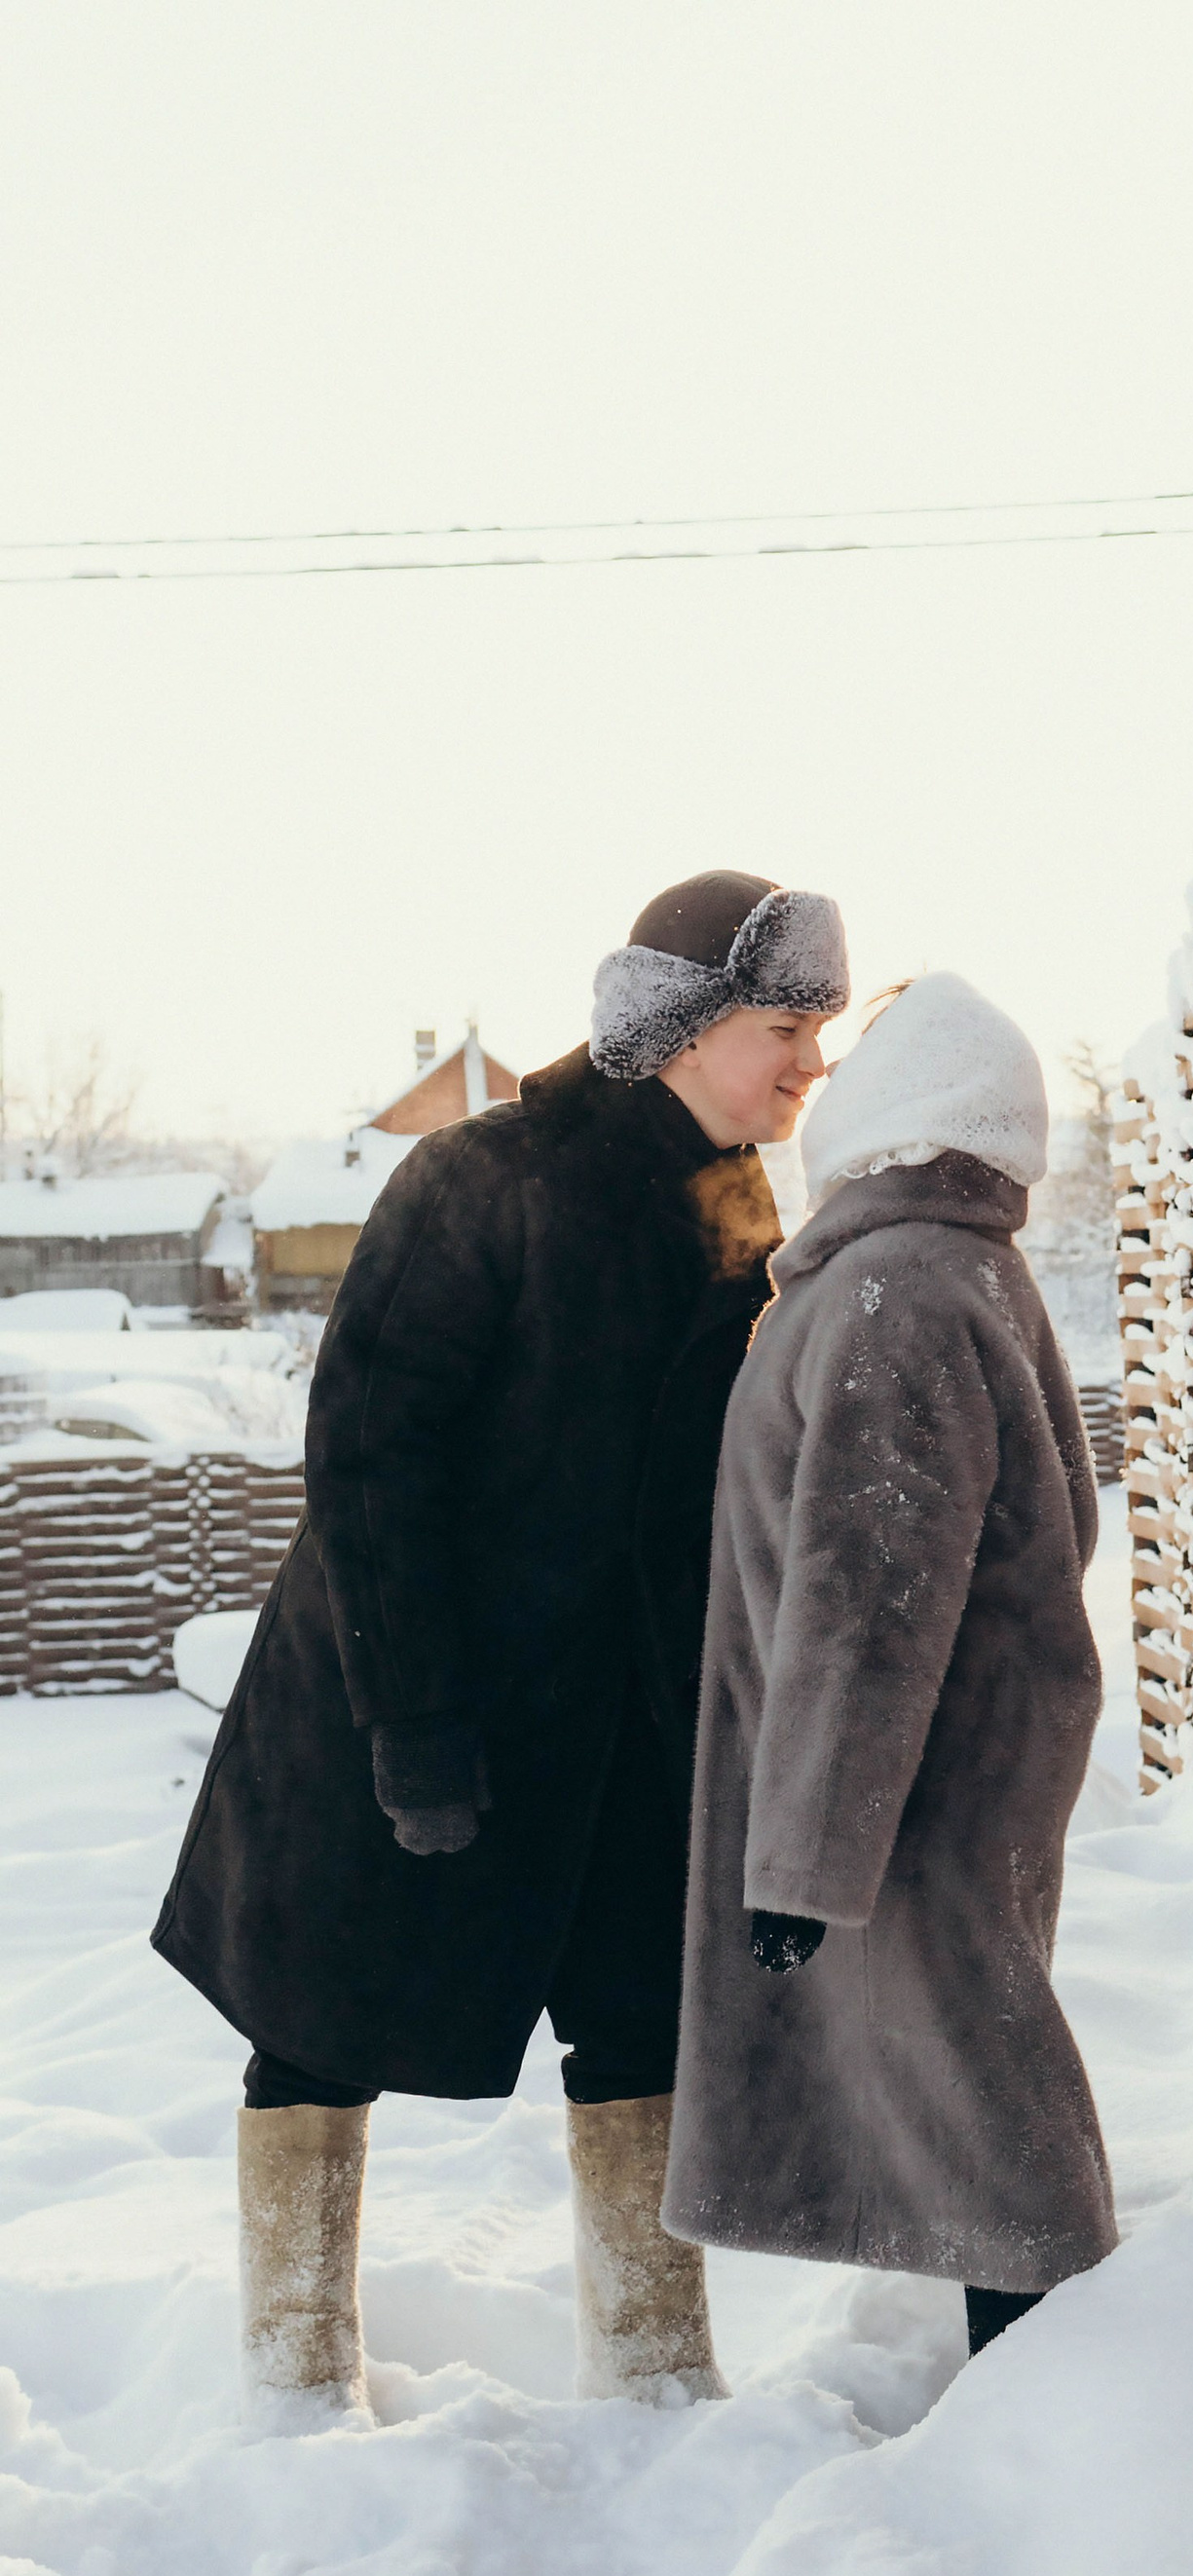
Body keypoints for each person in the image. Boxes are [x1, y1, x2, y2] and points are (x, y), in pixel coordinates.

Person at [154, 870, 851, 2419]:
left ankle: (660, 2373)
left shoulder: (742, 1206)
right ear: (682, 1026)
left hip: (620, 1715)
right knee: (320, 2016)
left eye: (826, 1029)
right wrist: (412, 1719)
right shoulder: (482, 1177)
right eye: (787, 1026)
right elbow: (369, 1454)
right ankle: (289, 2373)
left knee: (639, 2017)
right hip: (405, 1683)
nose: (812, 1062)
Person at [661, 971, 1114, 2350]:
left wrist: (804, 1854)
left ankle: (1073, 2389)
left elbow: (870, 1601)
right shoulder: (960, 1265)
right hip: (940, 1762)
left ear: (899, 1107)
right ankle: (1049, 2378)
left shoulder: (893, 1292)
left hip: (901, 1785)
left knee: (983, 2091)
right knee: (967, 2071)